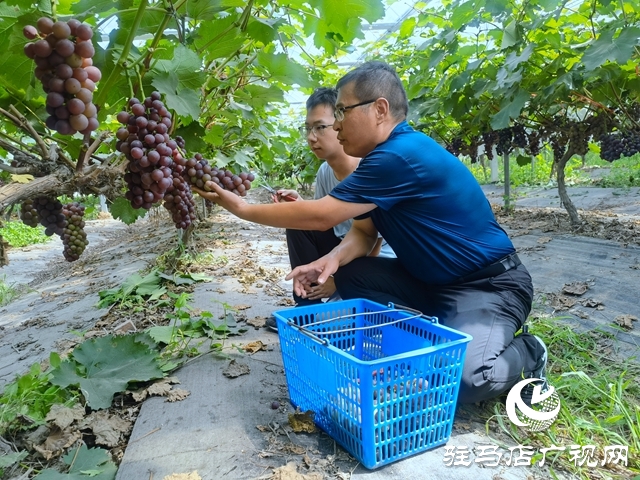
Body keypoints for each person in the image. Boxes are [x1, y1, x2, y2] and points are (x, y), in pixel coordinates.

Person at [192, 61, 547, 404]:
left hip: (486, 285)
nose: (338, 124)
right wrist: (329, 261)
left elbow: (321, 216)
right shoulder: (382, 159)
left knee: (469, 379)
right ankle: (433, 336)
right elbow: (363, 234)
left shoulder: (400, 155)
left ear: (380, 109)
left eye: (343, 112)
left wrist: (241, 208)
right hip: (432, 285)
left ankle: (530, 352)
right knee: (353, 273)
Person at [271, 87, 395, 309]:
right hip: (342, 246)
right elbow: (321, 220)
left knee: (339, 319)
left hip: (375, 258)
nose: (311, 137)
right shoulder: (325, 172)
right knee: (299, 221)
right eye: (308, 128)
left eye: (320, 127)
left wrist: (337, 281)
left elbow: (372, 241)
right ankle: (307, 305)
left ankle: (335, 300)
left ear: (341, 124)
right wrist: (300, 205)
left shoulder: (367, 171)